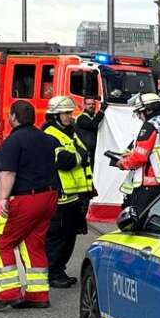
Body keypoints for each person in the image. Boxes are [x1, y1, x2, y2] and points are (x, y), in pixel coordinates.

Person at [0, 99, 59, 312]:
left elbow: (8, 172)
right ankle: (38, 294)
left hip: (25, 198)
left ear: (13, 117)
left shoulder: (13, 141)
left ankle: (8, 293)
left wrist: (3, 198)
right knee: (33, 244)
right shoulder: (46, 138)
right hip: (49, 196)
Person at [42, 95, 95, 290]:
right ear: (55, 114)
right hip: (61, 196)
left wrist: (79, 156)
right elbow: (64, 161)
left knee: (70, 235)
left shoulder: (70, 131)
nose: (69, 116)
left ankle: (59, 270)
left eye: (69, 113)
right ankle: (52, 273)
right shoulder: (49, 134)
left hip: (76, 195)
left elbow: (83, 151)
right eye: (65, 113)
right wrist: (80, 155)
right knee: (58, 236)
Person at [114, 92, 160, 218]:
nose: (139, 117)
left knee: (142, 221)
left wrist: (122, 163)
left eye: (139, 113)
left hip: (149, 186)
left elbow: (139, 157)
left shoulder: (150, 127)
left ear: (148, 110)